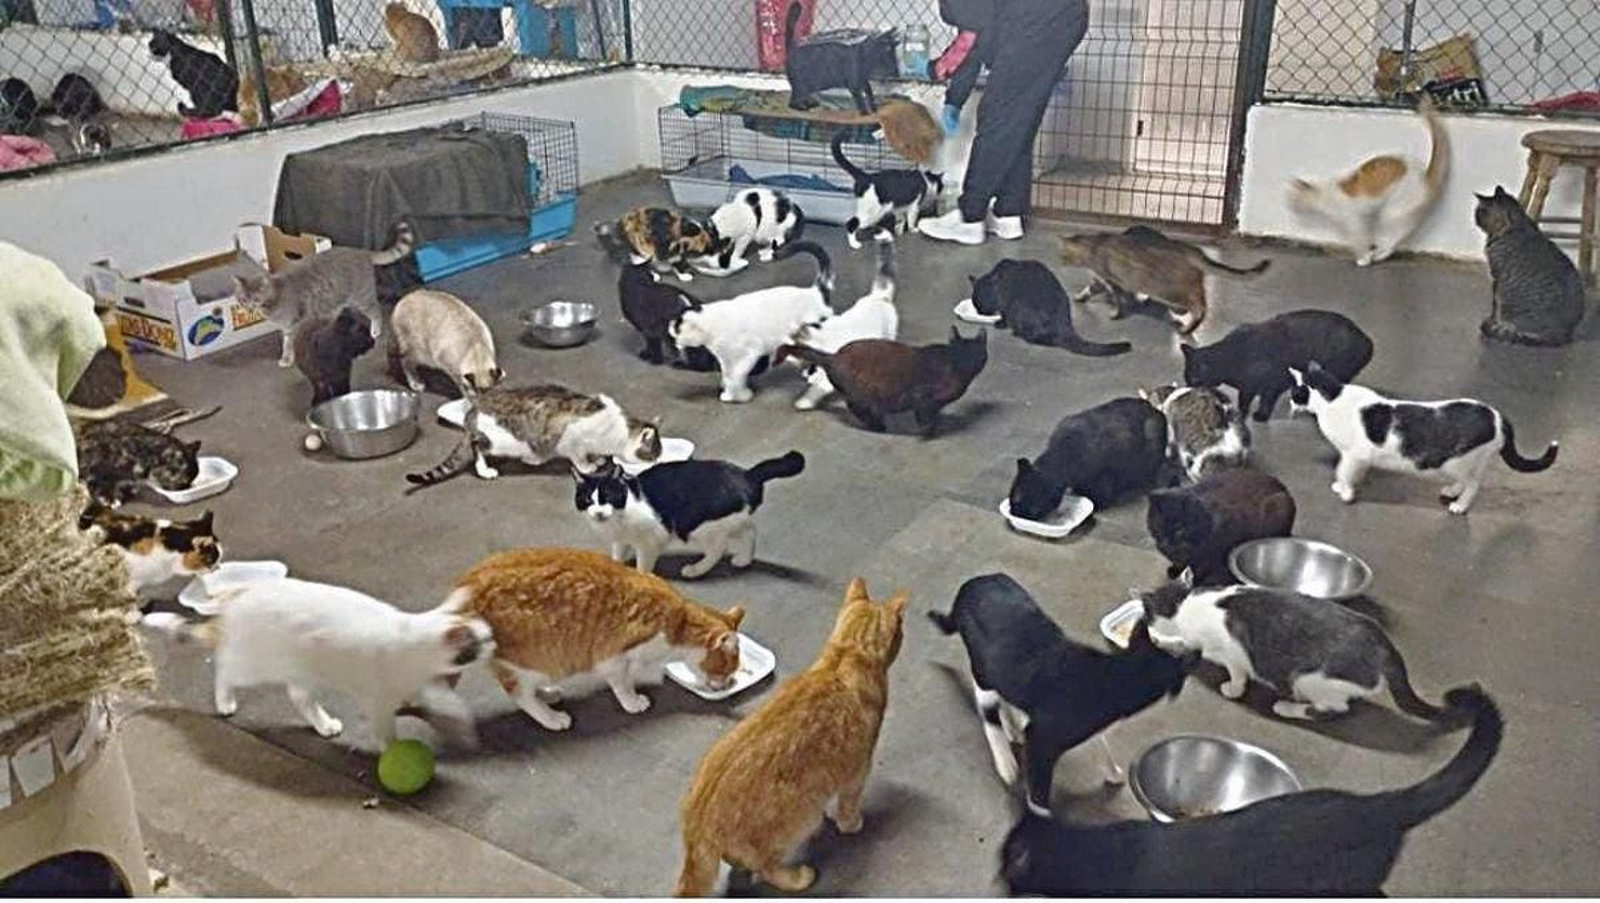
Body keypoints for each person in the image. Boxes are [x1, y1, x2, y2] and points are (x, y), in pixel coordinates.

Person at [919, 0, 1090, 245]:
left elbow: (970, 37)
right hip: (1059, 17)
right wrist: (955, 97)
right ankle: (1008, 214)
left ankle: (970, 219)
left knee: (997, 117)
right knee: (1017, 121)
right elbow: (975, 31)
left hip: (1040, 20)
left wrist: (937, 71)